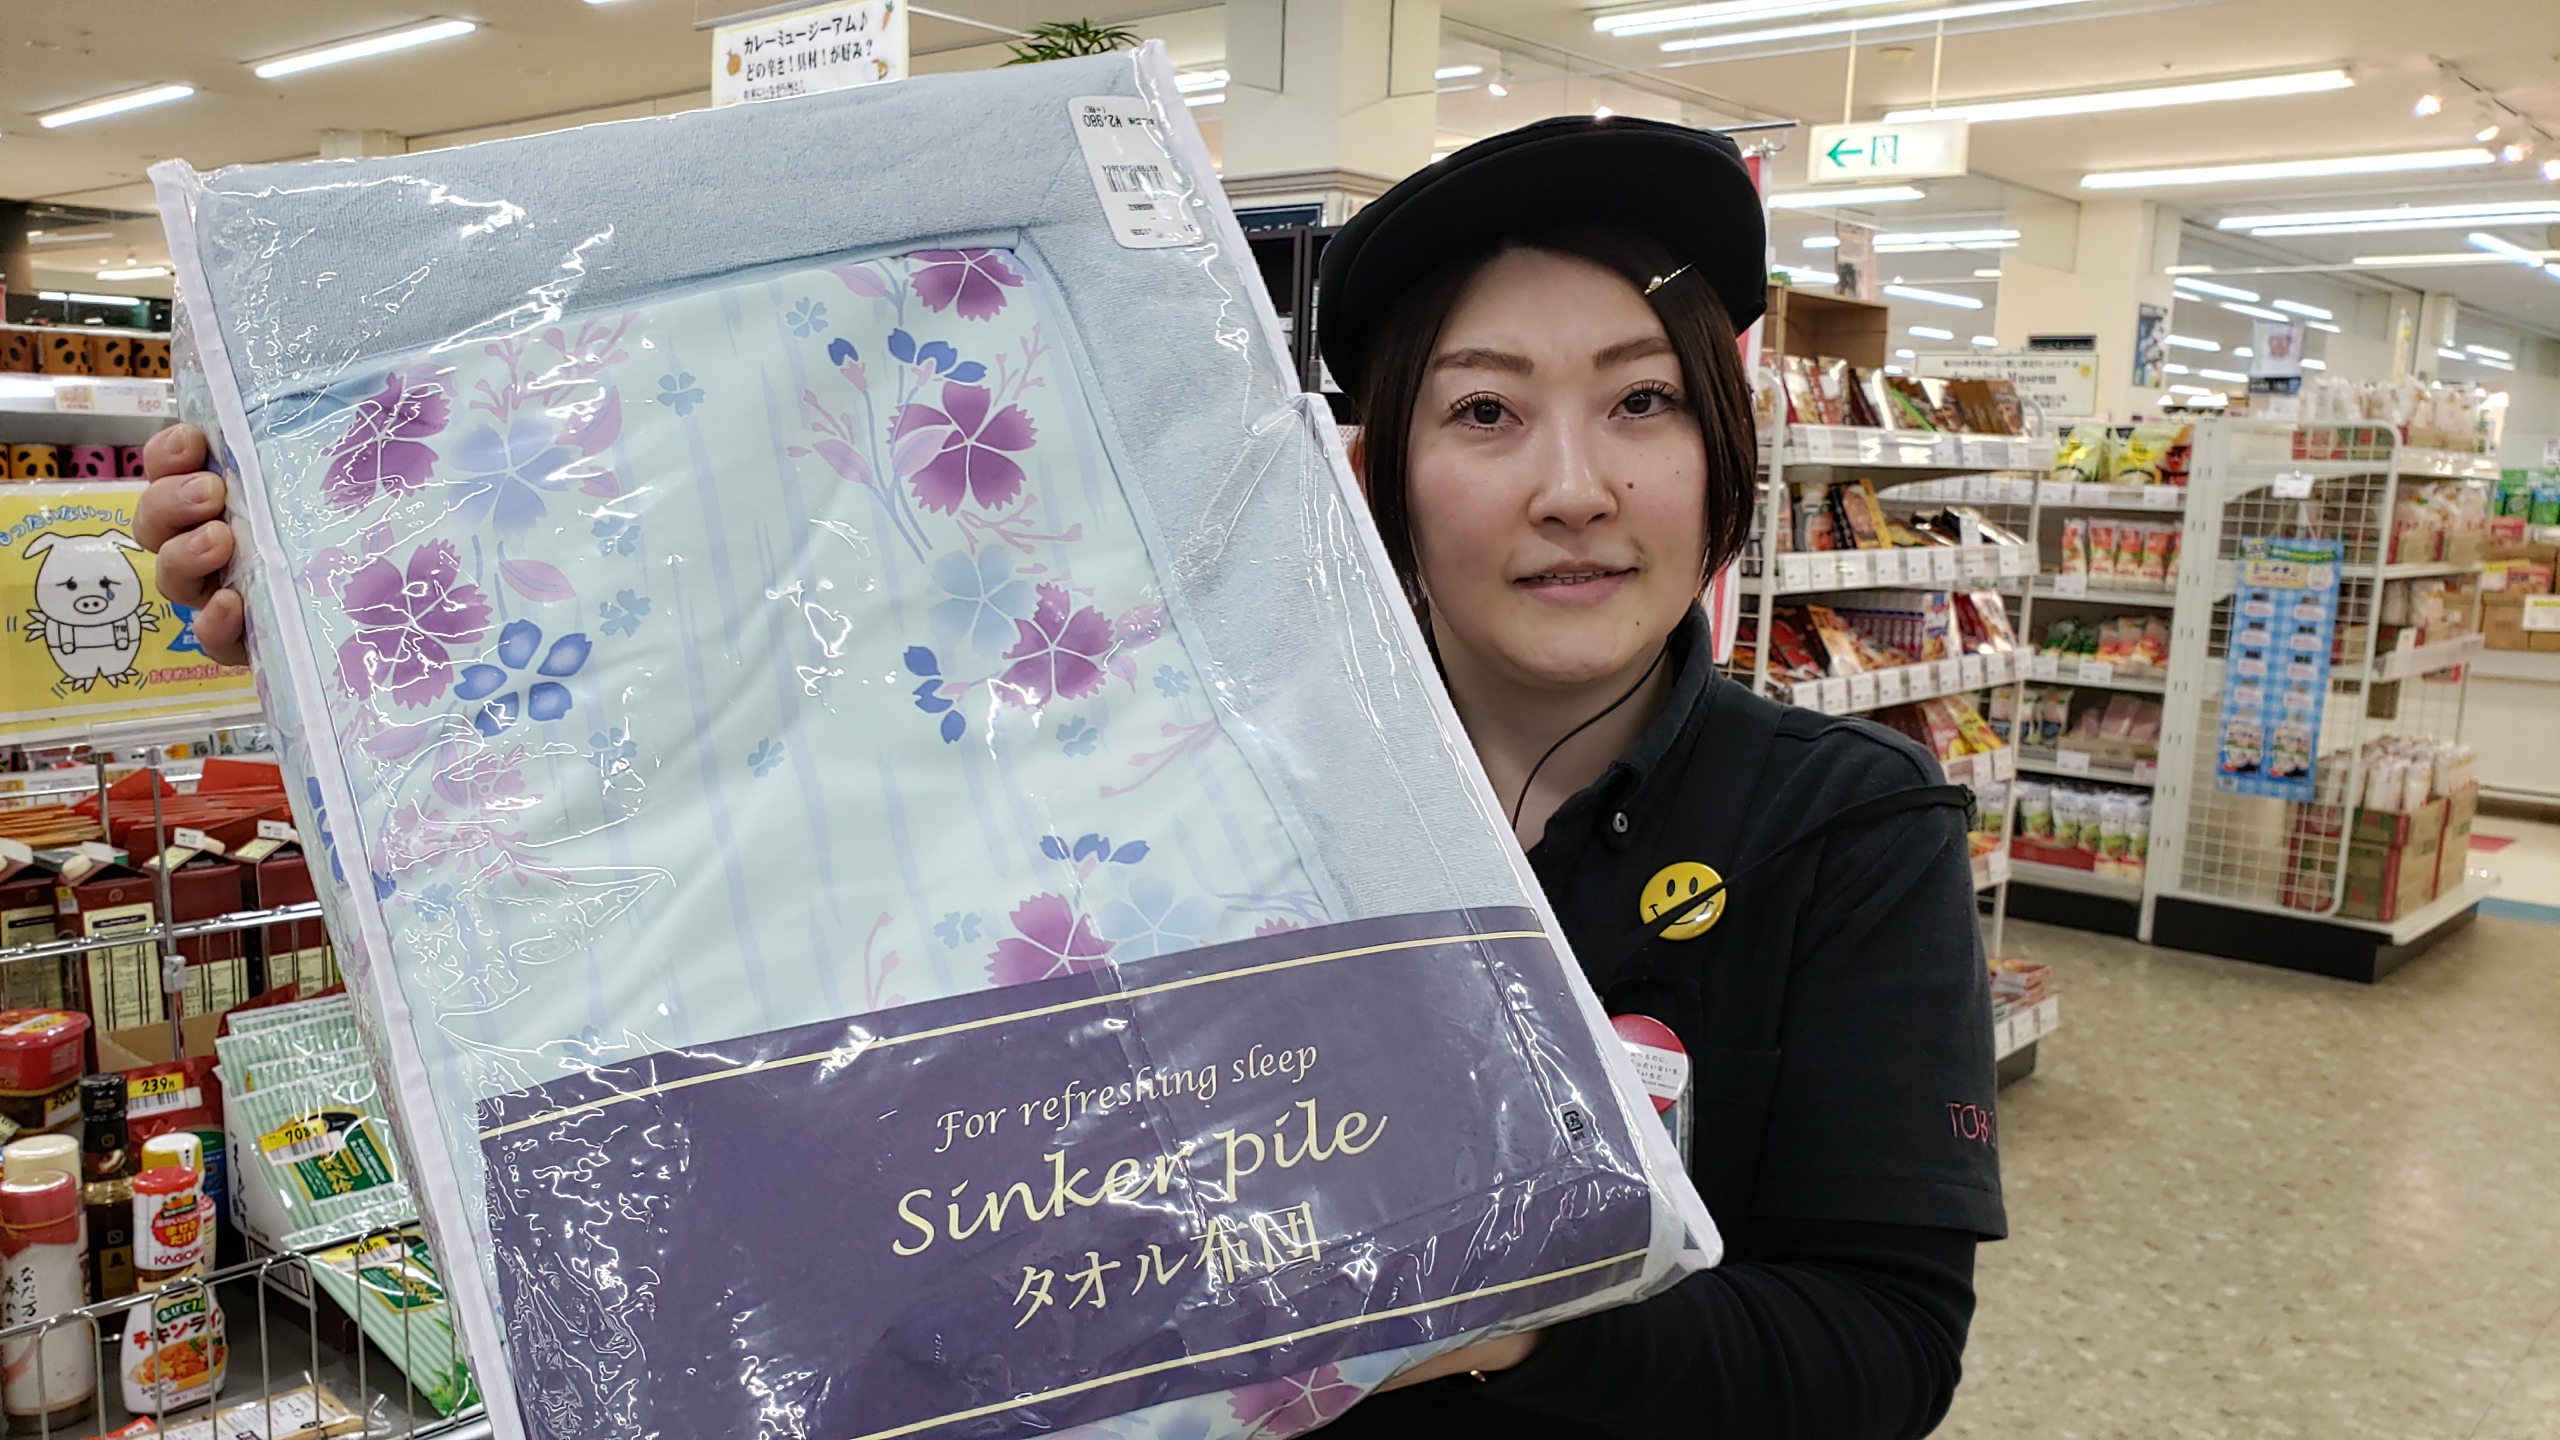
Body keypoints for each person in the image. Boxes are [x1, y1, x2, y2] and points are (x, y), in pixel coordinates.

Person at [136, 114, 2001, 1440]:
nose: (1573, 485)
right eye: (1486, 409)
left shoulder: (1842, 828)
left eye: (1644, 401)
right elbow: (752, 726)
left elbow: (1881, 1346)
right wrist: (328, 583)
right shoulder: (1199, 755)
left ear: (1724, 451)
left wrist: (1504, 1313)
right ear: (1377, 475)